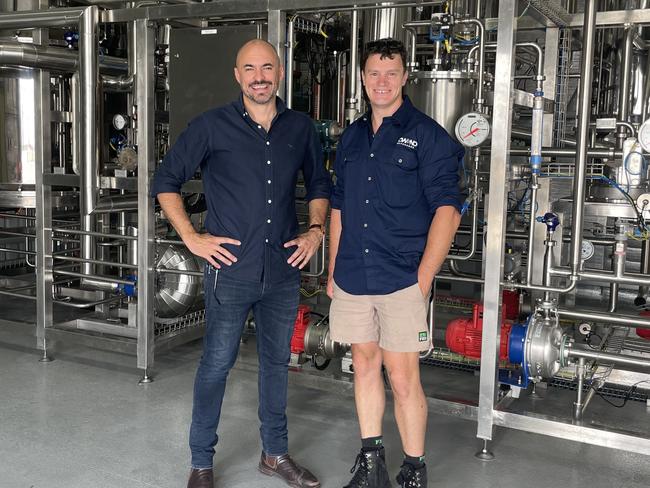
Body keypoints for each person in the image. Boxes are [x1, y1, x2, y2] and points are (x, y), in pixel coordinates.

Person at [151, 39, 330, 488]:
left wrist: (315, 231)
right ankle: (201, 463)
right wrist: (192, 237)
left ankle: (275, 454)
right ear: (237, 75)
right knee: (216, 364)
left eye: (267, 67)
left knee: (275, 363)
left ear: (280, 73)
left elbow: (321, 184)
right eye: (249, 68)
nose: (259, 76)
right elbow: (165, 181)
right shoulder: (211, 126)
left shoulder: (301, 128)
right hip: (230, 271)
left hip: (284, 270)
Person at [327, 38, 464, 488]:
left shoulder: (427, 136)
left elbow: (448, 209)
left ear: (406, 77)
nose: (381, 82)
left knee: (403, 376)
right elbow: (340, 208)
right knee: (364, 365)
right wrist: (331, 272)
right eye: (373, 73)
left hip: (401, 276)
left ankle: (413, 469)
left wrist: (424, 277)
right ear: (362, 78)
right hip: (352, 275)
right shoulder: (351, 136)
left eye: (391, 73)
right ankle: (372, 465)